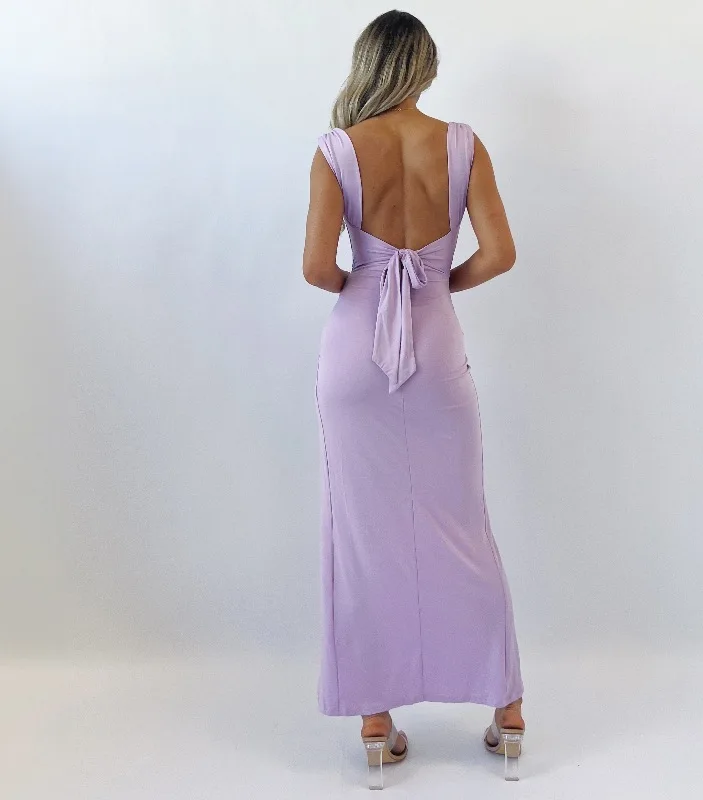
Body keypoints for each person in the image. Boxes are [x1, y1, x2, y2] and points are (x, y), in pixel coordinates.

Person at [303, 10, 526, 786]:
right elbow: (500, 253)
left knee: (363, 532)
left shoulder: (337, 150)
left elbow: (316, 269)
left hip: (356, 351)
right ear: (424, 68)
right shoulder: (463, 144)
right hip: (435, 343)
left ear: (370, 64)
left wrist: (373, 283)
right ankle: (507, 710)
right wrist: (431, 284)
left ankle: (375, 719)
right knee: (462, 523)